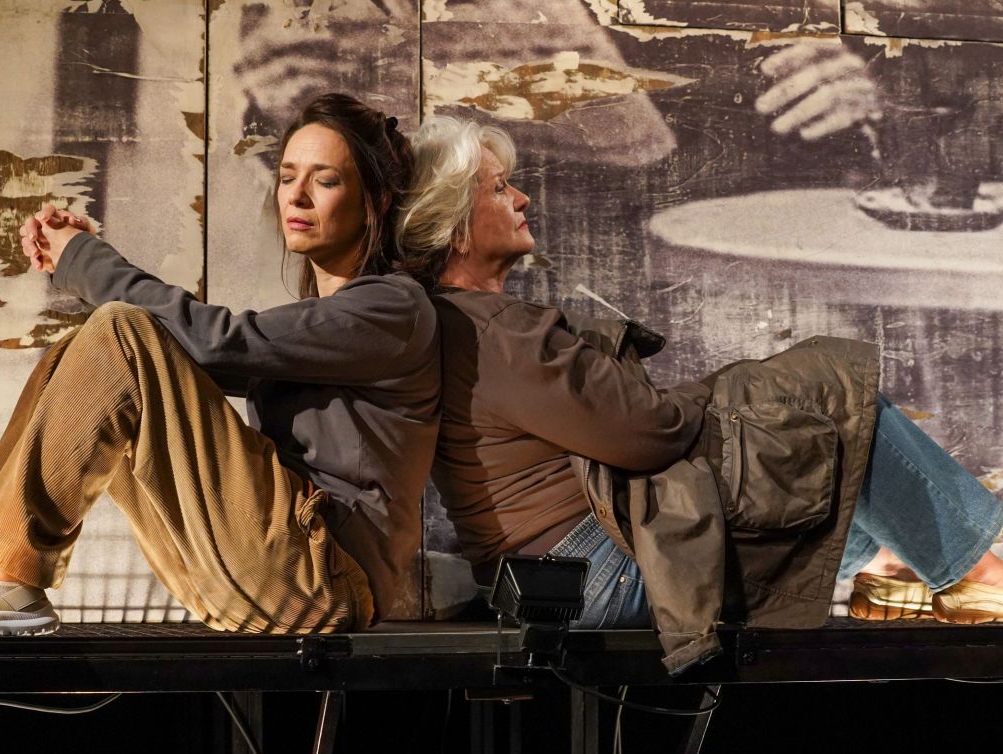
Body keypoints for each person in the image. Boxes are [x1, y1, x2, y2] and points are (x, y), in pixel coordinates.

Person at [397, 115, 1003, 674]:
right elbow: (649, 432)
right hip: (594, 569)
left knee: (816, 451)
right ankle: (978, 573)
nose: (522, 199)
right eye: (499, 188)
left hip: (563, 572)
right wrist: (722, 390)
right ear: (454, 227)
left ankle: (894, 565)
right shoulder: (496, 333)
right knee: (842, 407)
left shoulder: (464, 324)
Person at [0, 93, 440, 636]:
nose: (295, 196)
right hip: (270, 566)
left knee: (121, 333)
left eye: (324, 180)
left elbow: (212, 341)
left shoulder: (394, 309)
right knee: (84, 352)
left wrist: (86, 260)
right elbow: (181, 351)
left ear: (376, 202)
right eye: (286, 177)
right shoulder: (333, 319)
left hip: (321, 577)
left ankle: (7, 576)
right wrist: (84, 264)